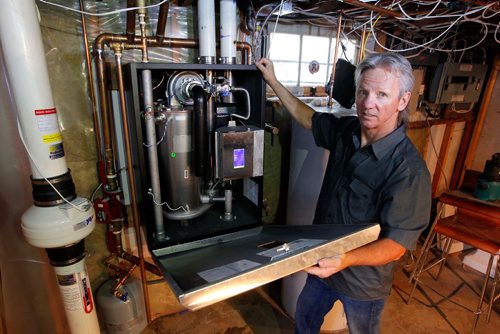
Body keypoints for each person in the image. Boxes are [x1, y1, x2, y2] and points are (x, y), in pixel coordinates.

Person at [256, 53, 431, 334]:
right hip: (324, 263)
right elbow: (308, 118)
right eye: (363, 91)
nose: (368, 103)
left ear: (402, 100)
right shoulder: (347, 131)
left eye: (382, 94)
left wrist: (345, 258)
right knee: (304, 319)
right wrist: (272, 80)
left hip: (362, 283)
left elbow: (396, 245)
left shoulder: (408, 171)